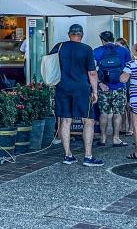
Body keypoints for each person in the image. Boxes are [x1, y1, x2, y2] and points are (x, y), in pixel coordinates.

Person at [49, 24, 103, 167]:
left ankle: (68, 155)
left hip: (62, 87)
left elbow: (50, 63)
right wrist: (95, 91)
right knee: (88, 121)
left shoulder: (59, 47)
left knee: (65, 121)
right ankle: (88, 156)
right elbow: (92, 73)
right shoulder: (86, 49)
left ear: (69, 34)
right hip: (81, 89)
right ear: (82, 35)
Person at [93, 30, 132, 147]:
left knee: (103, 113)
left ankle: (103, 138)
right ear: (113, 39)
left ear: (102, 40)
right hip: (119, 87)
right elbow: (130, 66)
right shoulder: (123, 50)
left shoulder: (97, 51)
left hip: (104, 88)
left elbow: (92, 70)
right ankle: (116, 138)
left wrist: (100, 83)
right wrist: (124, 78)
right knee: (118, 113)